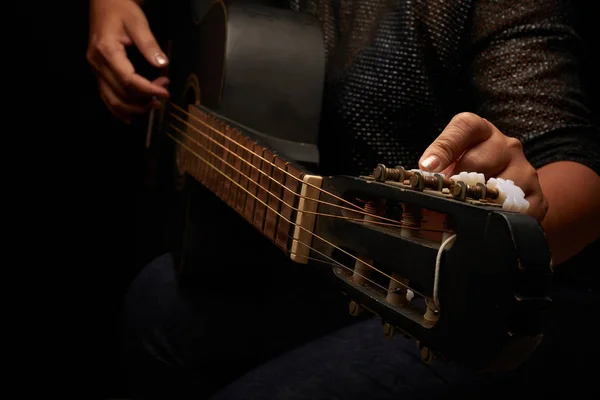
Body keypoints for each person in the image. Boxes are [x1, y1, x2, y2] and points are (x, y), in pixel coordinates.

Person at [87, 0, 600, 398]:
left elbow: (577, 173)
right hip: (322, 256)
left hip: (447, 299)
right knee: (152, 304)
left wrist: (512, 204)